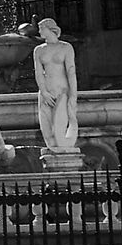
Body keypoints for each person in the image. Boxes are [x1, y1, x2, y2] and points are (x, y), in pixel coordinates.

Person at [33, 20, 78, 155]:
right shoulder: (39, 50)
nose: (39, 31)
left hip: (62, 90)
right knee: (46, 127)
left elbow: (71, 71)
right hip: (46, 91)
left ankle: (64, 146)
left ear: (49, 28)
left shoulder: (66, 47)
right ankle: (52, 149)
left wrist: (73, 94)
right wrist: (44, 92)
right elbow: (38, 73)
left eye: (41, 28)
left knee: (60, 126)